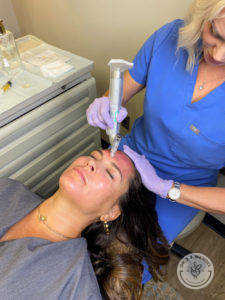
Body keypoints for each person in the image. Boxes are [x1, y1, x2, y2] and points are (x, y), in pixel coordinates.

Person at [86, 0, 225, 282]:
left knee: (122, 268)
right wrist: (105, 103)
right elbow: (123, 87)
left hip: (184, 185)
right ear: (203, 17)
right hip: (130, 154)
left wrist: (167, 189)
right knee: (77, 222)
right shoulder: (170, 38)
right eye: (217, 36)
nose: (220, 55)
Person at [0, 149, 169, 300]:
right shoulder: (8, 188)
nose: (91, 164)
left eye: (110, 173)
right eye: (93, 156)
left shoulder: (75, 287)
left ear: (110, 212)